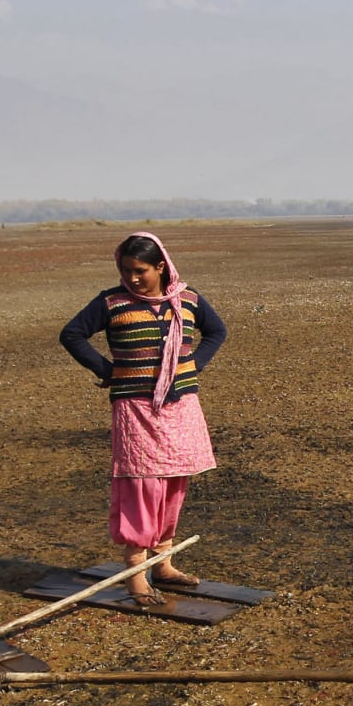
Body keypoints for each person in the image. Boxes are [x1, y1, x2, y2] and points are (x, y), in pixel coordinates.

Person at [59, 232, 229, 607]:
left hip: (180, 407)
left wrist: (192, 364)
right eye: (126, 270)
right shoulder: (111, 302)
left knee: (173, 485)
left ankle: (163, 564)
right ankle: (136, 574)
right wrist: (106, 368)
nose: (133, 278)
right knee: (140, 486)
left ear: (161, 267)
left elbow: (217, 331)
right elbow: (72, 334)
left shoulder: (187, 299)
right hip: (135, 408)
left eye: (140, 271)